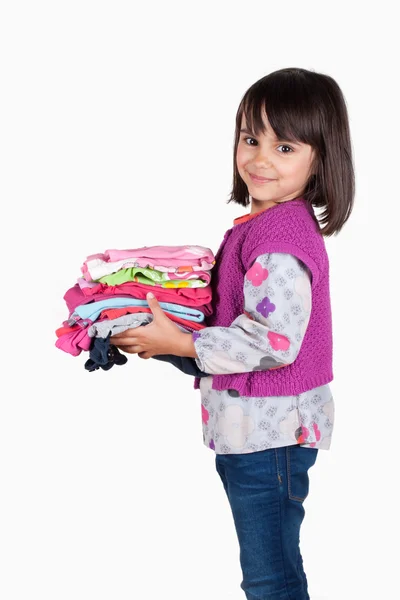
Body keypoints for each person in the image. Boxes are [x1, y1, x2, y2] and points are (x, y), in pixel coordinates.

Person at [111, 67, 355, 600]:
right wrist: (163, 341)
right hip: (255, 430)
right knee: (268, 568)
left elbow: (271, 342)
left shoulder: (280, 241)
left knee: (271, 576)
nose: (260, 158)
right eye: (250, 138)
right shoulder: (262, 226)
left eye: (284, 146)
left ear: (321, 158)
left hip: (271, 435)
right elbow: (235, 328)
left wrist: (181, 343)